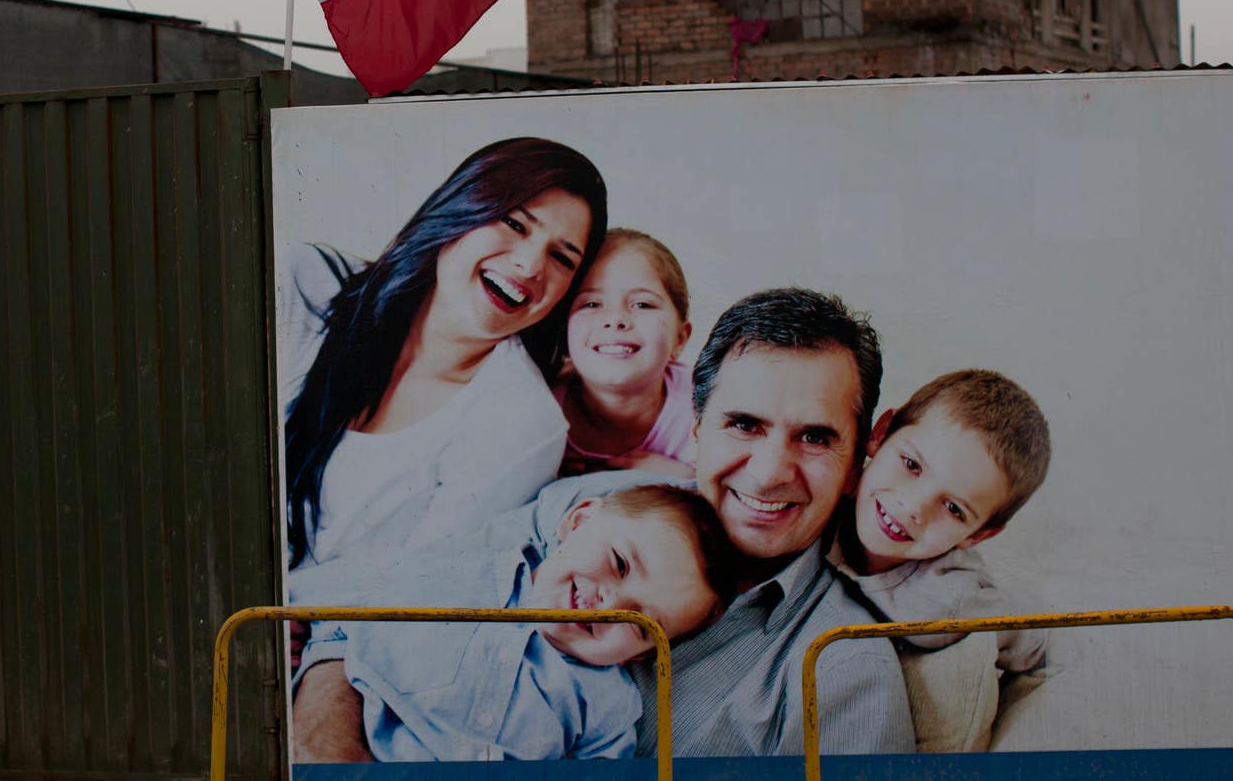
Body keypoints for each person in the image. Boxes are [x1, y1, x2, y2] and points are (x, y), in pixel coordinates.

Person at [293, 288, 916, 760]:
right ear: (697, 429)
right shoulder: (592, 505)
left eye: (815, 437)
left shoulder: (843, 668)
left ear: (858, 459)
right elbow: (378, 610)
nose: (771, 471)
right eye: (744, 425)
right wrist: (327, 750)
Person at [280, 137, 608, 570]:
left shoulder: (521, 423)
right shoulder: (304, 282)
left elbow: (416, 583)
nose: (530, 266)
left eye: (562, 258)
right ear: (461, 208)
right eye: (514, 223)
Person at [295, 485, 739, 761]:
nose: (611, 603)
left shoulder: (608, 707)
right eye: (619, 563)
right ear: (579, 521)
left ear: (641, 654)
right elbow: (332, 591)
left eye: (639, 623)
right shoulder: (454, 570)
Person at [831, 369, 1052, 672]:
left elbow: (1035, 647)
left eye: (952, 508)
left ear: (978, 535)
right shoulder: (820, 498)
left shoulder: (952, 600)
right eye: (912, 465)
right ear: (881, 433)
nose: (913, 507)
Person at [554, 230, 696, 478]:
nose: (615, 319)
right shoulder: (540, 404)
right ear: (564, 332)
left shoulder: (705, 410)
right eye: (591, 304)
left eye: (642, 304)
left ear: (680, 338)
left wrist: (688, 481)